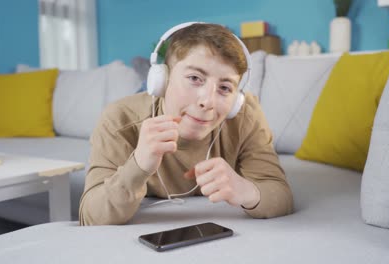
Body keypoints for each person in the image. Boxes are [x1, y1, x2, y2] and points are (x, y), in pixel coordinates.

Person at [79, 22, 293, 225]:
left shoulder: (245, 116)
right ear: (162, 79)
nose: (207, 101)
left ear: (236, 99)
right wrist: (139, 165)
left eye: (225, 88)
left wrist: (246, 190)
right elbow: (91, 217)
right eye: (194, 78)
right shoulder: (119, 119)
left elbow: (281, 196)